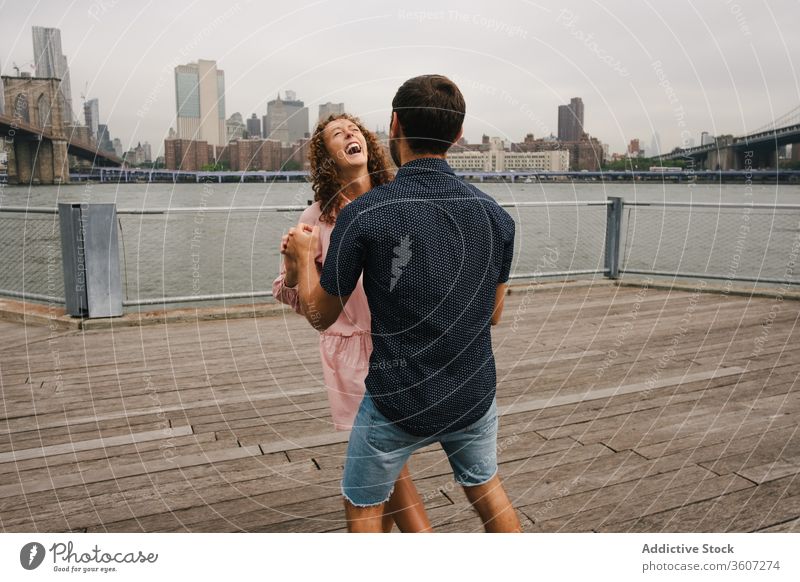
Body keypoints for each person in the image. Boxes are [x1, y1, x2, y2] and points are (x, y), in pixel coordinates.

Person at [283, 74, 521, 533]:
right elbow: (493, 313)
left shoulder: (365, 214)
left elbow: (320, 316)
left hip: (398, 398)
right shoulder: (497, 217)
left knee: (364, 505)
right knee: (490, 497)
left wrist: (301, 261)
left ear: (393, 125)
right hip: (472, 393)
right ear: (456, 135)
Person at [273, 113, 432, 533]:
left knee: (385, 458)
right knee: (387, 459)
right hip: (352, 355)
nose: (349, 135)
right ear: (328, 158)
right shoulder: (317, 218)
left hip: (400, 343)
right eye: (336, 135)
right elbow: (304, 303)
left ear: (369, 145)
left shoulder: (400, 199)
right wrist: (295, 267)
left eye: (354, 130)